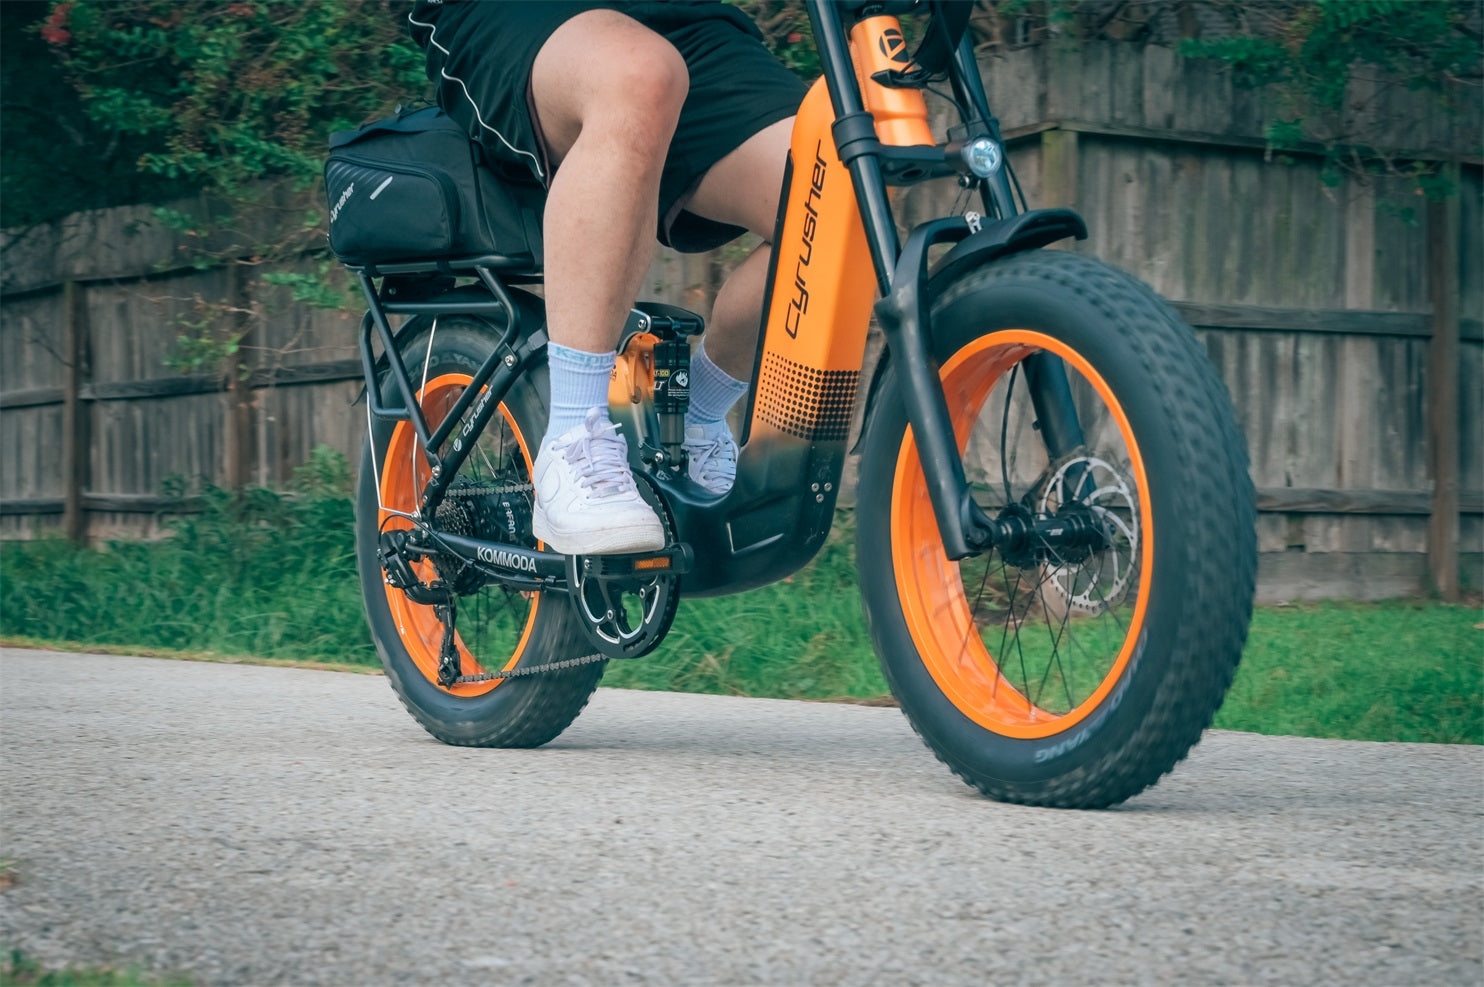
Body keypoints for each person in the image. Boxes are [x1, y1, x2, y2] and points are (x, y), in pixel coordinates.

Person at [407, 1, 808, 555]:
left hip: (680, 16)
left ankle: (698, 416)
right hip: (516, 14)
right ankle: (572, 439)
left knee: (840, 183)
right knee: (639, 73)